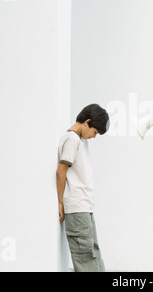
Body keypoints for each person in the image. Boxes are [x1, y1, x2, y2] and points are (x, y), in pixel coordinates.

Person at [56, 104, 109, 272]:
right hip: (77, 208)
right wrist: (60, 202)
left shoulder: (80, 140)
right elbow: (61, 171)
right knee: (86, 258)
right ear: (87, 122)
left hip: (85, 207)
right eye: (94, 132)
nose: (94, 137)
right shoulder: (72, 139)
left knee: (93, 254)